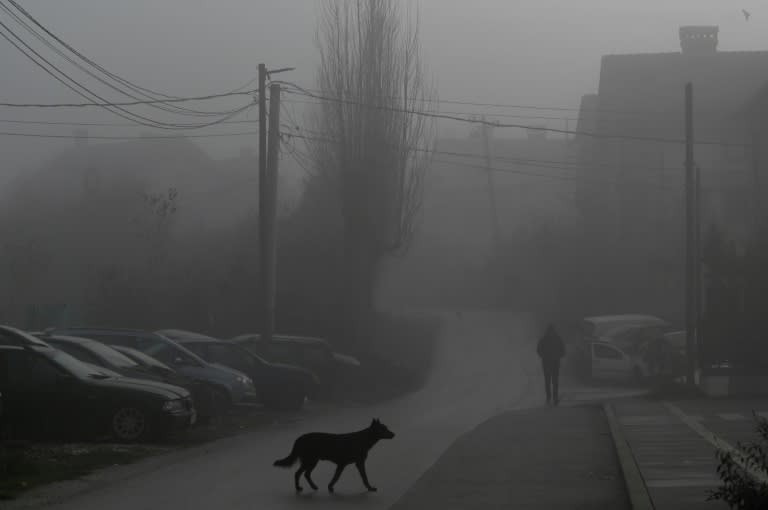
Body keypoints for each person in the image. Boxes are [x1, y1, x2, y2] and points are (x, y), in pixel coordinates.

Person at [537, 323, 565, 406]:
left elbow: (538, 350)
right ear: (554, 330)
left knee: (547, 381)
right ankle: (555, 398)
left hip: (546, 363)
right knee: (555, 381)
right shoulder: (558, 339)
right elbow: (563, 351)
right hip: (555, 363)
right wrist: (558, 356)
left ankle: (548, 397)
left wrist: (543, 356)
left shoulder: (543, 339)